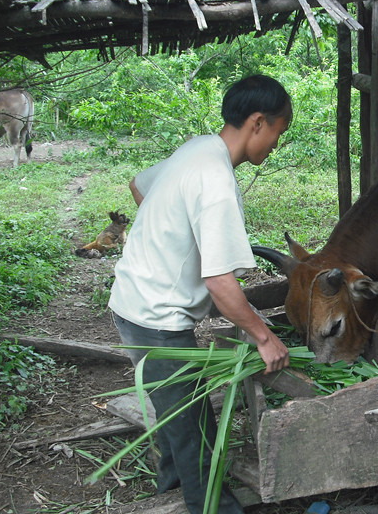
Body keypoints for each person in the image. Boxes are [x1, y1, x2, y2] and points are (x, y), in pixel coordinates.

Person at [108, 74, 292, 514]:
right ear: (257, 122)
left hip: (130, 305)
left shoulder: (197, 148)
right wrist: (264, 336)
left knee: (176, 413)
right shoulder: (216, 182)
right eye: (278, 133)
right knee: (198, 432)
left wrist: (168, 238)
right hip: (157, 320)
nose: (275, 145)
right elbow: (220, 283)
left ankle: (170, 485)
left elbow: (140, 185)